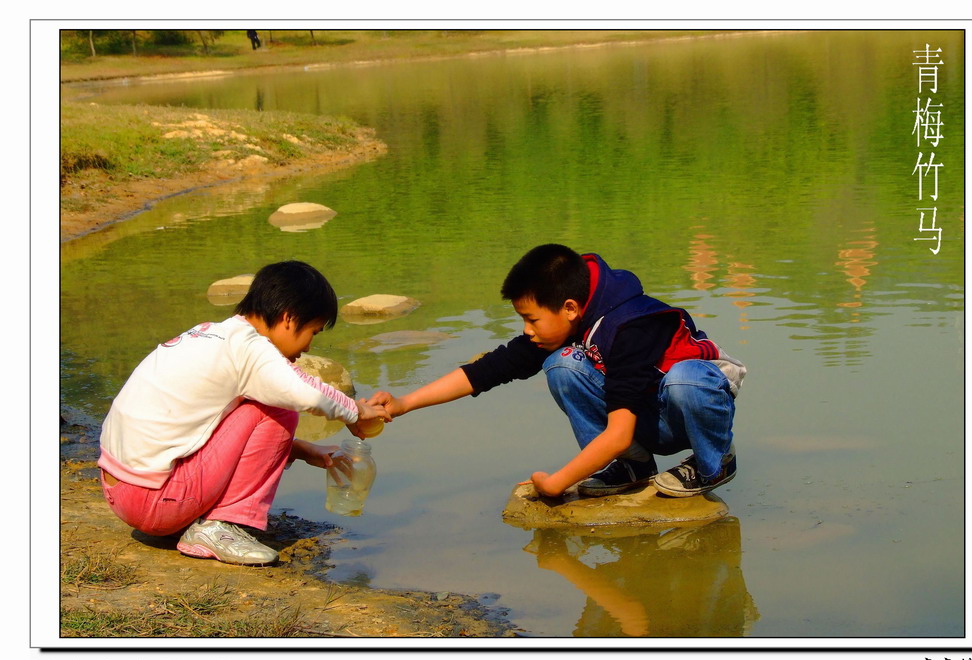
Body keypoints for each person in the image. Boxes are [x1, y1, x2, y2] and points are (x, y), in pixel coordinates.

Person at [369, 244, 746, 499]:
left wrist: (557, 483)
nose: (526, 330)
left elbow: (617, 433)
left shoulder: (632, 326)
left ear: (569, 308)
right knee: (563, 365)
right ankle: (633, 468)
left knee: (686, 380)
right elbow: (486, 371)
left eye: (530, 319)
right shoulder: (572, 318)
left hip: (688, 410)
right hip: (643, 412)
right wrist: (403, 403)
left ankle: (713, 463)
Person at [97, 261, 389, 566]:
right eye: (312, 332)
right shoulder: (251, 349)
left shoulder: (211, 334)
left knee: (253, 405)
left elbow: (212, 428)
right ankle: (220, 527)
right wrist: (356, 411)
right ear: (289, 318)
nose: (308, 347)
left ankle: (205, 521)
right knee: (279, 410)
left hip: (120, 492)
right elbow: (307, 391)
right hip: (154, 503)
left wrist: (302, 451)